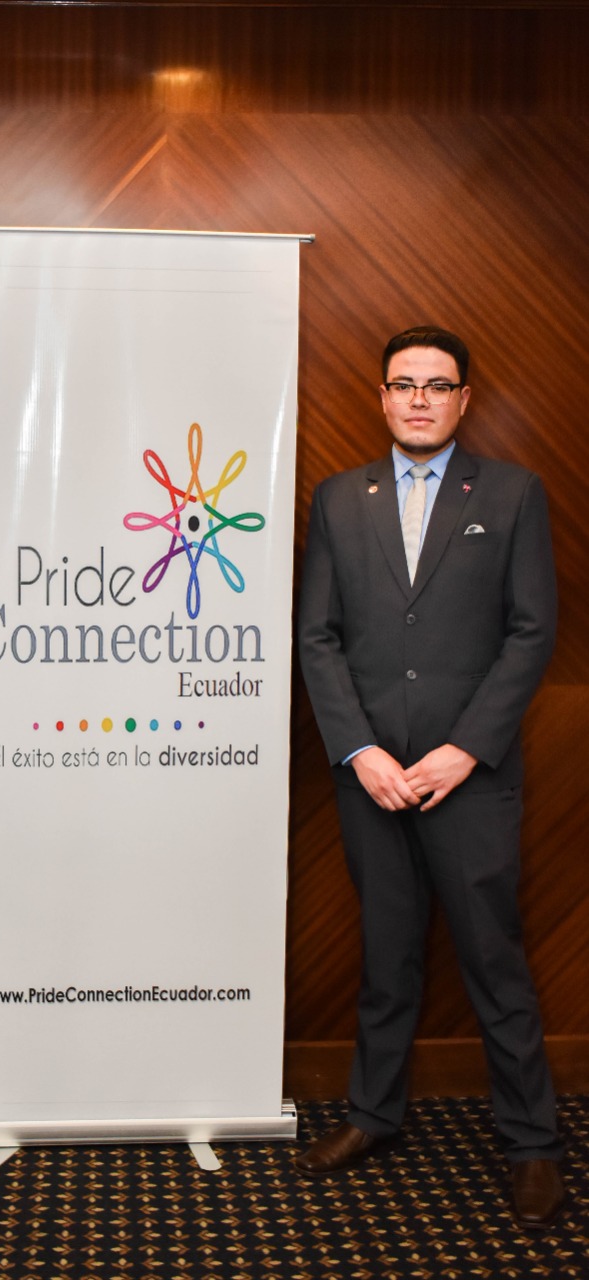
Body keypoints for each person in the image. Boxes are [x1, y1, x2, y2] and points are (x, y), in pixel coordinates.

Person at [295, 327, 564, 1230]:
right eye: (403, 384)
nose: (418, 399)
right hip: (371, 776)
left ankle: (531, 1141)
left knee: (493, 959)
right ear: (381, 396)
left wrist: (464, 748)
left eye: (436, 385)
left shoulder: (514, 493)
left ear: (463, 399)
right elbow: (317, 636)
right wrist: (358, 750)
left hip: (468, 777)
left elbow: (531, 633)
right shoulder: (339, 499)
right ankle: (372, 1115)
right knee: (386, 956)